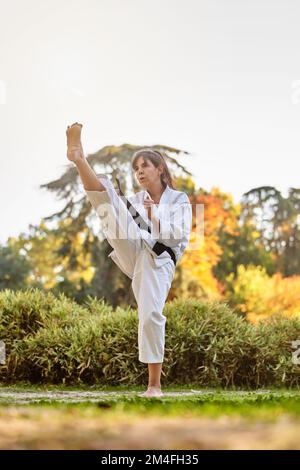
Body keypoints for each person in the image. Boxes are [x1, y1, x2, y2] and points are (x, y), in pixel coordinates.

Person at [66, 122, 192, 397]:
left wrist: (153, 216)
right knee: (109, 202)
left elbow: (178, 237)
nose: (139, 172)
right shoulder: (136, 198)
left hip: (158, 260)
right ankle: (79, 158)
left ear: (160, 169)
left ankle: (154, 386)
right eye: (136, 169)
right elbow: (123, 217)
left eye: (144, 166)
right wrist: (134, 211)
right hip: (132, 247)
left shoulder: (179, 199)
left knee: (149, 316)